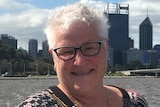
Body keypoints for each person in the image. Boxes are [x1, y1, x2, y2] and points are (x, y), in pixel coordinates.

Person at [18, 2, 148, 107]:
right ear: (53, 57)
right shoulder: (36, 105)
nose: (79, 61)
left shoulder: (135, 102)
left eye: (89, 48)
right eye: (67, 51)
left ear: (106, 48)